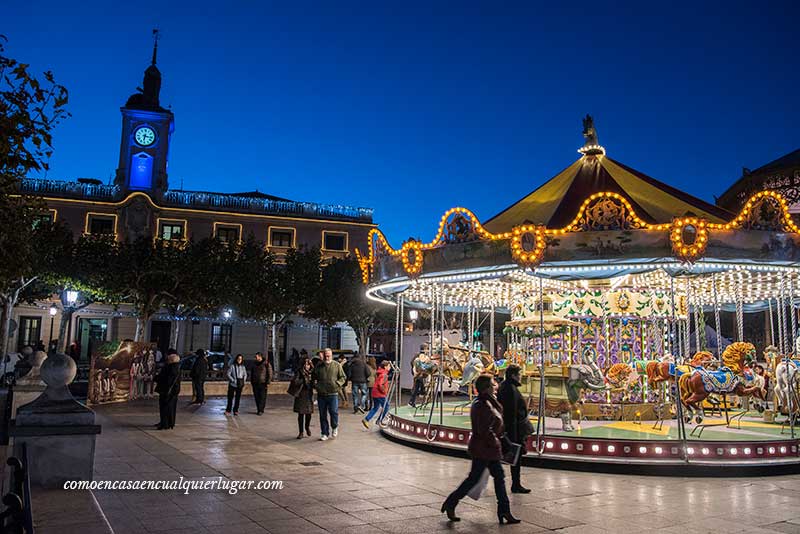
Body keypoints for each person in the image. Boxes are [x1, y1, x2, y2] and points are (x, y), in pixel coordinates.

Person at [441, 375, 519, 525]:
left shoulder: (489, 402)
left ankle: (504, 510)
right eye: (492, 384)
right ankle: (452, 502)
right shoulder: (481, 405)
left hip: (488, 448)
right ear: (485, 388)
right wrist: (496, 442)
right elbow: (484, 430)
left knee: (498, 478)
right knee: (475, 479)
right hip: (484, 449)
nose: (495, 386)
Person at [497, 364, 532, 494]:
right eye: (519, 374)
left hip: (514, 426)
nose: (521, 376)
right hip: (514, 428)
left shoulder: (508, 387)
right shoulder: (509, 389)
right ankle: (515, 484)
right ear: (513, 375)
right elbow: (511, 412)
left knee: (514, 457)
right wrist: (513, 432)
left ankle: (516, 483)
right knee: (515, 456)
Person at [312, 348, 346, 441]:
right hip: (321, 394)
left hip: (333, 393)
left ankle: (334, 426)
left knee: (334, 412)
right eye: (326, 355)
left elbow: (343, 377)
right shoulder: (319, 366)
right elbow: (313, 376)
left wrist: (337, 384)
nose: (327, 357)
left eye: (329, 355)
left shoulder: (337, 365)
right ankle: (324, 433)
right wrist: (316, 385)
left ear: (331, 355)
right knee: (322, 414)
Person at [155, 350, 182, 430]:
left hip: (167, 391)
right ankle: (170, 423)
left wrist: (156, 378)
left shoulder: (170, 368)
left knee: (165, 407)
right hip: (173, 391)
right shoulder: (177, 367)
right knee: (171, 408)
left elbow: (166, 380)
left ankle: (165, 424)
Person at [362, 360, 390, 429]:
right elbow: (380, 384)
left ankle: (366, 419)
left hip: (375, 392)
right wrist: (384, 391)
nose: (390, 367)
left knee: (376, 407)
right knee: (386, 406)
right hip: (380, 394)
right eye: (389, 366)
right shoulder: (384, 374)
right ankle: (379, 420)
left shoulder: (380, 372)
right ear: (385, 367)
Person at [291, 357, 314, 438]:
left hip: (309, 394)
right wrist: (304, 380)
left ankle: (307, 427)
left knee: (309, 413)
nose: (307, 366)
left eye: (308, 364)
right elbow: (295, 382)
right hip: (301, 394)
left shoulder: (312, 372)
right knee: (300, 414)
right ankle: (301, 432)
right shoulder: (299, 372)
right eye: (306, 364)